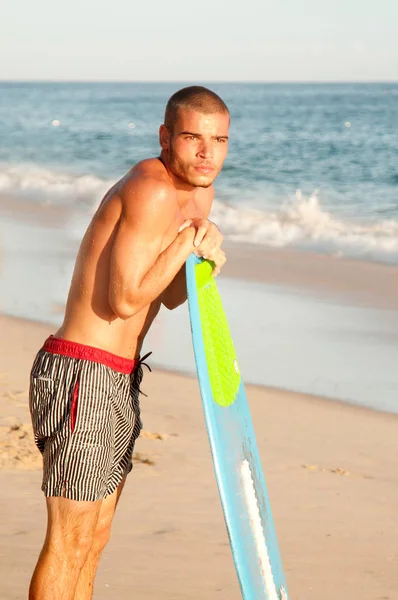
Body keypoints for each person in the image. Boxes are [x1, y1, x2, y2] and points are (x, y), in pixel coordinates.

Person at [28, 85, 230, 600]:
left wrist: (205, 261)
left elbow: (169, 297)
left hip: (121, 374)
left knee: (95, 537)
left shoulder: (197, 194)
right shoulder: (152, 187)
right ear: (165, 137)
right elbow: (123, 300)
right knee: (70, 538)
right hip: (82, 372)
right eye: (192, 138)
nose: (207, 153)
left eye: (220, 140)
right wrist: (188, 240)